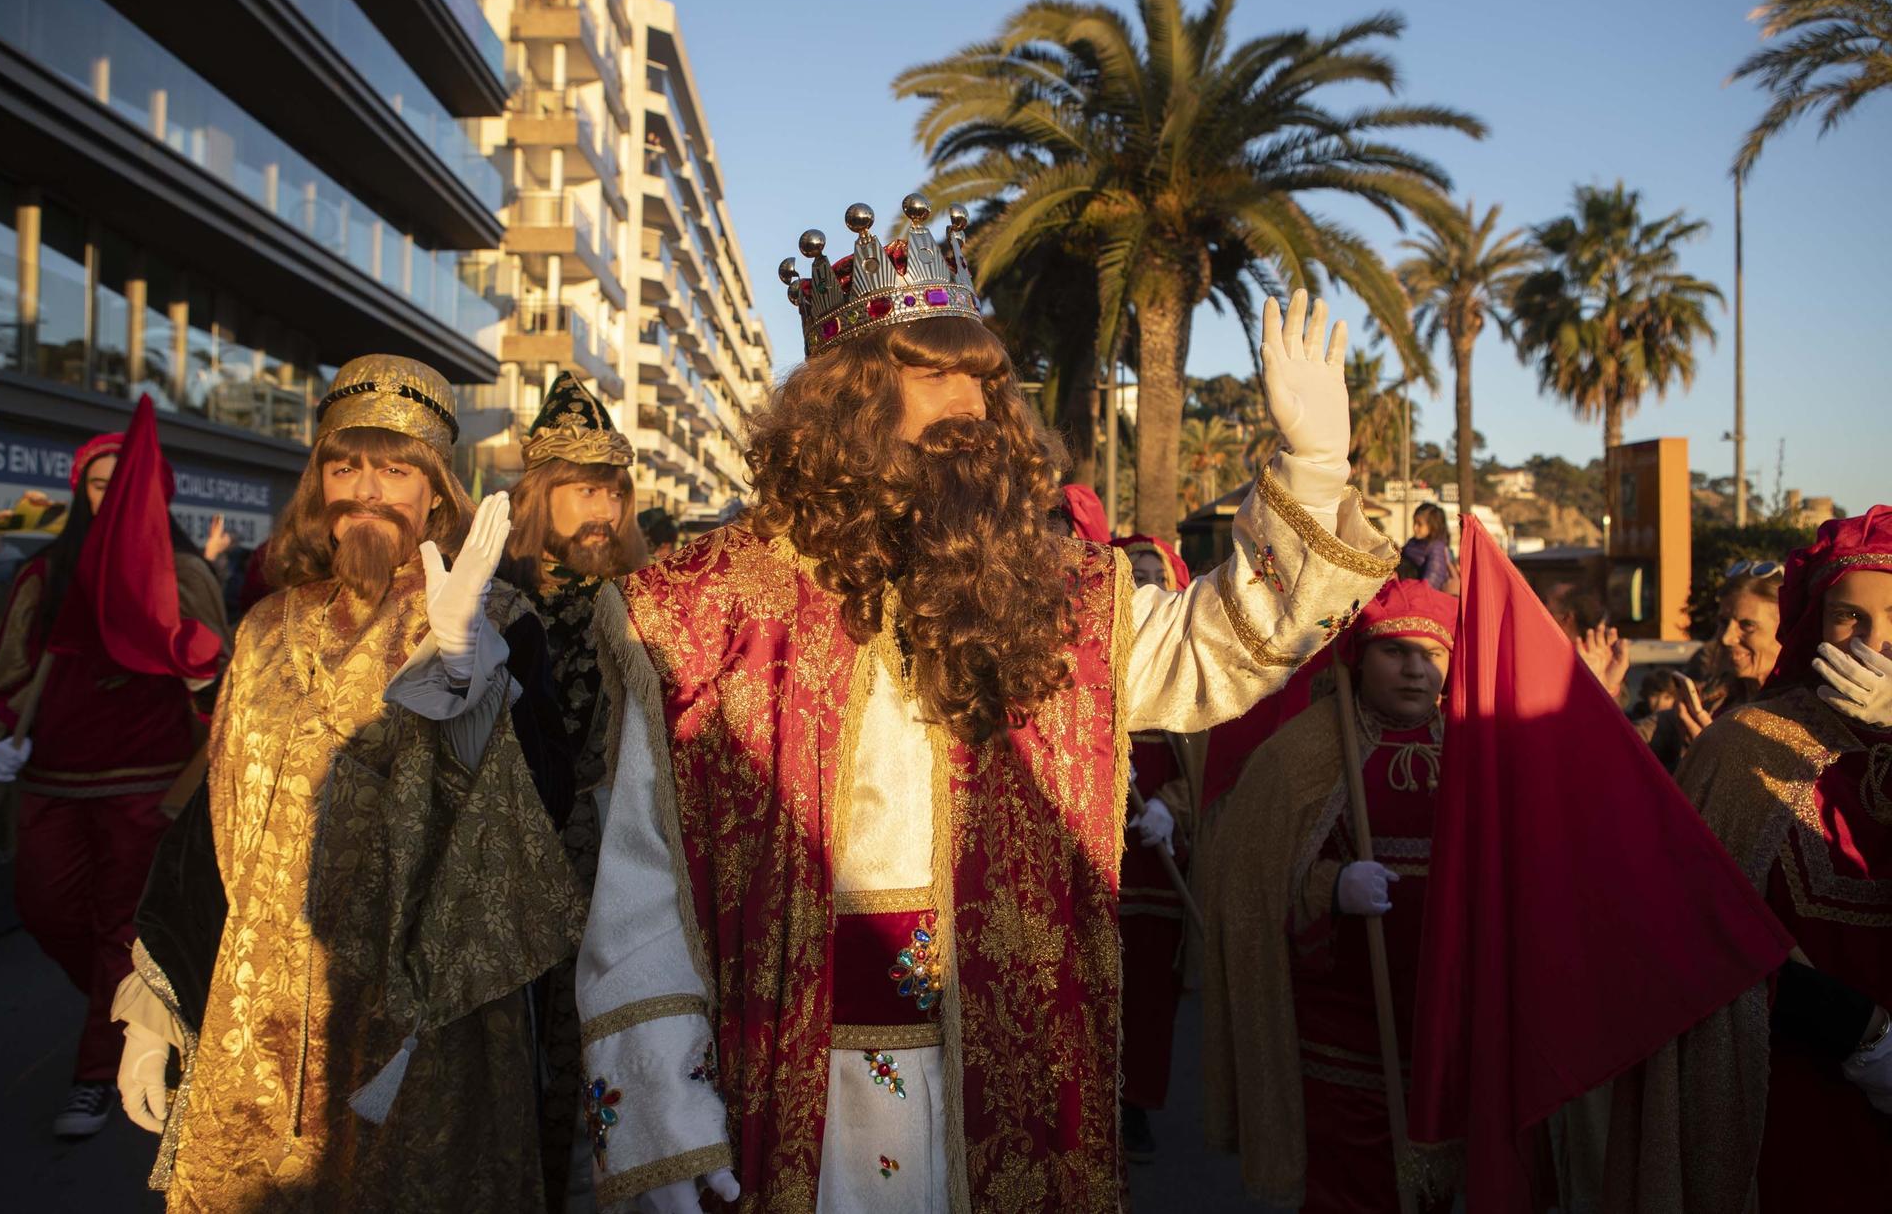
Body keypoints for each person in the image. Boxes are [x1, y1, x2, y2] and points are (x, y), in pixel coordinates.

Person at [575, 195, 1396, 1213]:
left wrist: (1311, 471)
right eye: (932, 372)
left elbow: (1216, 650)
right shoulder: (705, 610)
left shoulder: (1055, 595)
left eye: (982, 376)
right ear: (850, 396)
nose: (967, 402)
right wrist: (662, 1117)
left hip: (1010, 1084)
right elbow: (638, 891)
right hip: (788, 1088)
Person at [111, 355, 583, 1209]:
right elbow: (211, 829)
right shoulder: (261, 628)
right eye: (344, 464)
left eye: (394, 469)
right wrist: (154, 1002)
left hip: (422, 1032)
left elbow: (534, 812)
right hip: (256, 1030)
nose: (364, 490)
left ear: (436, 495)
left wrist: (466, 674)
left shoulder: (501, 626)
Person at [1603, 508, 1892, 1212]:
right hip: (1791, 1108)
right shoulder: (1742, 746)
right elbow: (1699, 930)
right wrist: (1861, 1035)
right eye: (1849, 618)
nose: (1876, 641)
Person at [0, 428, 228, 1138]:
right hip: (53, 780)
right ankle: (133, 1011)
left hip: (148, 783)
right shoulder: (45, 575)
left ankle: (93, 1074)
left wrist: (196, 670)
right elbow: (8, 669)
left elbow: (221, 689)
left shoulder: (182, 573)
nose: (111, 497)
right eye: (96, 483)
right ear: (78, 493)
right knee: (45, 909)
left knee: (122, 931)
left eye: (127, 483)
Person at [1198, 579, 1460, 1212]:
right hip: (1340, 1026)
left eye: (1432, 655)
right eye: (1396, 652)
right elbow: (1247, 882)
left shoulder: (1477, 745)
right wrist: (1329, 886)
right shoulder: (1305, 752)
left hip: (1445, 1016)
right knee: (1349, 1186)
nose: (1416, 670)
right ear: (1359, 657)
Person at [499, 369, 649, 1200]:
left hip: (617, 879)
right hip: (509, 876)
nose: (604, 509)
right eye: (584, 489)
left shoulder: (644, 602)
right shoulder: (485, 600)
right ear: (539, 496)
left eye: (614, 491)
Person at [1110, 534, 1206, 1163]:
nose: (1143, 584)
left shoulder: (1189, 672)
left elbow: (1206, 767)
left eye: (1154, 576)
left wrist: (1172, 806)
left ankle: (1137, 1103)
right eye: (1132, 575)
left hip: (1156, 862)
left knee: (1147, 996)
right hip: (1095, 860)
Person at [1649, 565, 1783, 768]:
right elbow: (1634, 736)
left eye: (1747, 625)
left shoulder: (1806, 715)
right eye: (1723, 621)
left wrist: (1716, 756)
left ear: (1786, 630)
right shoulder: (1715, 697)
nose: (1727, 638)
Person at [1396, 502, 1453, 592]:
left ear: (1433, 525)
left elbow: (1432, 582)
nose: (1415, 527)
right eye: (1414, 522)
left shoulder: (1436, 548)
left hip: (1419, 596)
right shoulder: (1413, 542)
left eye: (1419, 524)